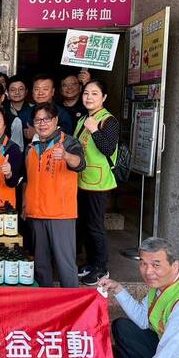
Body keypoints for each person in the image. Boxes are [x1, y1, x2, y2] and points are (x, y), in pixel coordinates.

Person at [23, 102, 85, 288]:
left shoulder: (68, 142)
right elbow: (27, 178)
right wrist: (25, 205)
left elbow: (80, 163)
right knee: (41, 264)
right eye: (38, 120)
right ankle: (46, 301)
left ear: (56, 120)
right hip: (36, 212)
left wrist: (66, 156)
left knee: (65, 264)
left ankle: (72, 301)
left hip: (60, 214)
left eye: (46, 119)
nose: (42, 124)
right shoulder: (31, 146)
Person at [75, 80, 120, 285]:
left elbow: (108, 149)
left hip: (98, 183)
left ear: (104, 97)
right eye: (86, 93)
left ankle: (101, 268)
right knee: (85, 224)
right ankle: (91, 262)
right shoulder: (84, 118)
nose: (89, 97)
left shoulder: (108, 120)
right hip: (82, 180)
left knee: (95, 226)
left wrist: (94, 130)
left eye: (94, 93)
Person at [19, 74, 73, 143]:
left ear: (53, 91)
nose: (40, 93)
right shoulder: (24, 114)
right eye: (37, 89)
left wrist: (37, 133)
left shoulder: (62, 114)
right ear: (32, 92)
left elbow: (67, 139)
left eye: (45, 89)